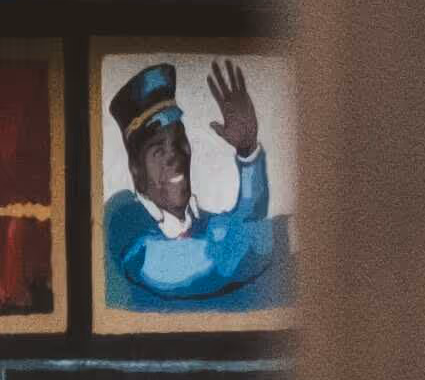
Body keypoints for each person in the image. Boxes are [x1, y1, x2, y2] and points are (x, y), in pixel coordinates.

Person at [100, 54, 288, 317]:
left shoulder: (206, 225)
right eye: (157, 150)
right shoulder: (123, 220)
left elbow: (245, 225)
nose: (174, 155)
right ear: (136, 169)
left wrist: (248, 152)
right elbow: (192, 264)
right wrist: (287, 232)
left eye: (179, 141)